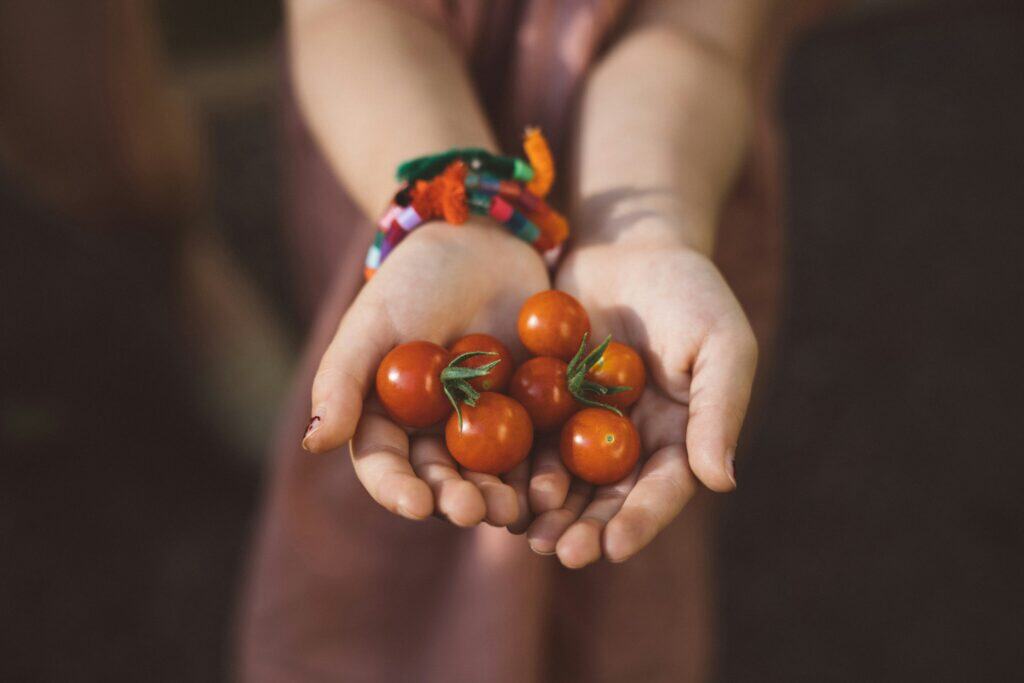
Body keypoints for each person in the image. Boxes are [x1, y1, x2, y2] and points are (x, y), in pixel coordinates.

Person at [240, 0, 823, 679]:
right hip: (394, 147)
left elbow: (695, 33)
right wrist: (460, 215)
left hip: (658, 157)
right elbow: (348, 20)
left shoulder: (586, 370)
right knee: (395, 544)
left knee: (626, 543)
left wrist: (648, 224)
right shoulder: (507, 367)